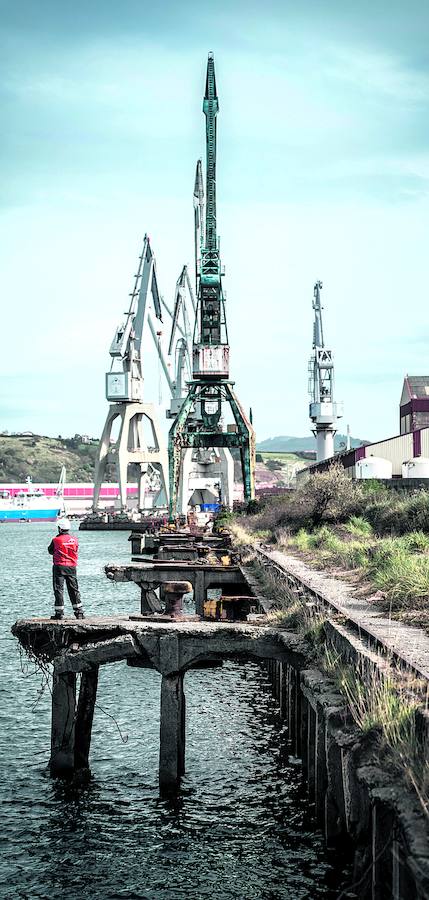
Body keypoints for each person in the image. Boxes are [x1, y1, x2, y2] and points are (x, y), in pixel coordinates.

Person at [48, 518, 85, 619]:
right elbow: (76, 549)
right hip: (72, 567)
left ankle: (59, 613)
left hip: (59, 567)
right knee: (74, 588)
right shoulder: (75, 540)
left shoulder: (56, 540)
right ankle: (79, 612)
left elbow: (50, 550)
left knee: (59, 589)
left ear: (60, 529)